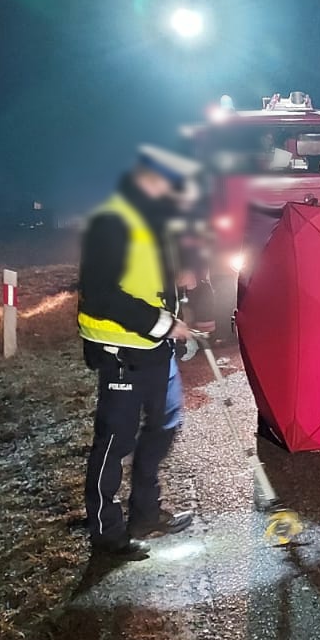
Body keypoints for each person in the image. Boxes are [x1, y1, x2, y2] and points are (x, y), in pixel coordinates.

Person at [76, 145, 200, 560]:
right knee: (114, 443)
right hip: (121, 353)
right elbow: (102, 295)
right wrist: (165, 324)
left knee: (164, 424)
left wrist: (179, 274)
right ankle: (107, 535)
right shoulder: (111, 221)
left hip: (152, 350)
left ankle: (146, 512)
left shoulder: (151, 218)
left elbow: (148, 273)